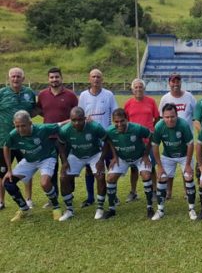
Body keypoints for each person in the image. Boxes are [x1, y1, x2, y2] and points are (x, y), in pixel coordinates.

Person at [2, 111, 62, 221]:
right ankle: (24, 209)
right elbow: (6, 147)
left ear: (30, 123)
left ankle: (56, 207)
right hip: (29, 161)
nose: (20, 129)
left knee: (45, 183)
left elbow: (61, 124)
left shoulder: (42, 129)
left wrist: (83, 119)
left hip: (47, 158)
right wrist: (9, 170)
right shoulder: (13, 134)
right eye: (17, 126)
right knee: (8, 183)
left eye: (23, 126)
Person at [58, 107, 114, 220]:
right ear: (70, 119)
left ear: (85, 118)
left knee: (100, 175)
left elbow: (107, 141)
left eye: (80, 120)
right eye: (74, 120)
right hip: (76, 155)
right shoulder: (65, 129)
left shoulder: (95, 127)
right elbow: (61, 145)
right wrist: (64, 162)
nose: (77, 123)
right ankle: (69, 210)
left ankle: (100, 208)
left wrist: (101, 160)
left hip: (94, 154)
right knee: (63, 177)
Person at [35, 67, 78, 208]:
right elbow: (41, 110)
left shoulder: (71, 95)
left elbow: (76, 115)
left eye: (57, 77)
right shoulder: (42, 95)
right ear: (48, 79)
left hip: (66, 137)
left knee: (68, 165)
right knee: (51, 168)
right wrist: (50, 120)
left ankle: (69, 193)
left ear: (61, 78)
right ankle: (53, 196)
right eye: (52, 77)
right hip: (48, 138)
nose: (54, 80)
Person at [103, 108, 153, 219]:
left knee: (146, 175)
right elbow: (108, 141)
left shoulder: (137, 128)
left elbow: (151, 136)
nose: (119, 124)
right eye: (116, 122)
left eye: (122, 121)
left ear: (127, 120)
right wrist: (115, 156)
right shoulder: (109, 131)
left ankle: (150, 207)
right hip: (122, 158)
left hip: (139, 157)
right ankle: (111, 209)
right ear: (113, 121)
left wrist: (145, 155)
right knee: (110, 178)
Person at [78, 69, 118, 208]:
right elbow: (79, 115)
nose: (96, 79)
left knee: (110, 166)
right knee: (90, 168)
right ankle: (90, 197)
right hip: (90, 139)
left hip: (106, 137)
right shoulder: (83, 96)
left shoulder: (109, 95)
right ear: (89, 79)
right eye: (93, 77)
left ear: (102, 79)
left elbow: (115, 114)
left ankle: (114, 195)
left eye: (98, 77)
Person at [151, 103, 197, 220]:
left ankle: (192, 209)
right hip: (168, 156)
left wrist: (187, 164)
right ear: (163, 117)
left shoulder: (183, 125)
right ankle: (160, 210)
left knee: (188, 176)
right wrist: (159, 166)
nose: (170, 119)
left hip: (184, 155)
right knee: (161, 177)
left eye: (172, 116)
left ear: (177, 115)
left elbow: (190, 144)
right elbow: (155, 147)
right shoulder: (159, 126)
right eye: (167, 117)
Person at [0, 67, 36, 210]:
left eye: (18, 76)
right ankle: (1, 201)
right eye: (13, 76)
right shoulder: (2, 93)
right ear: (9, 78)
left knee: (28, 170)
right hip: (4, 139)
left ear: (23, 78)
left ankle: (28, 199)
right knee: (2, 172)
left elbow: (34, 110)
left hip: (25, 140)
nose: (15, 79)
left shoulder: (29, 93)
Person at [158, 73, 196, 200]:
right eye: (173, 82)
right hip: (170, 139)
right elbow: (160, 117)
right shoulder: (165, 98)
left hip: (186, 139)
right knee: (169, 168)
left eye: (177, 81)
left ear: (181, 83)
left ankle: (187, 192)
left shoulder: (189, 96)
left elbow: (195, 115)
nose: (175, 84)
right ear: (169, 83)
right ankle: (168, 192)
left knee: (186, 167)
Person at [124, 78, 160, 203]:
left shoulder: (151, 102)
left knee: (152, 166)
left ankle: (155, 191)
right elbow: (125, 122)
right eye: (136, 87)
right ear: (132, 89)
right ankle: (133, 192)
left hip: (149, 140)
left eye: (140, 87)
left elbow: (157, 118)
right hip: (134, 141)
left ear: (144, 89)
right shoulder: (128, 104)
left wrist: (152, 130)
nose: (138, 89)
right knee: (134, 168)